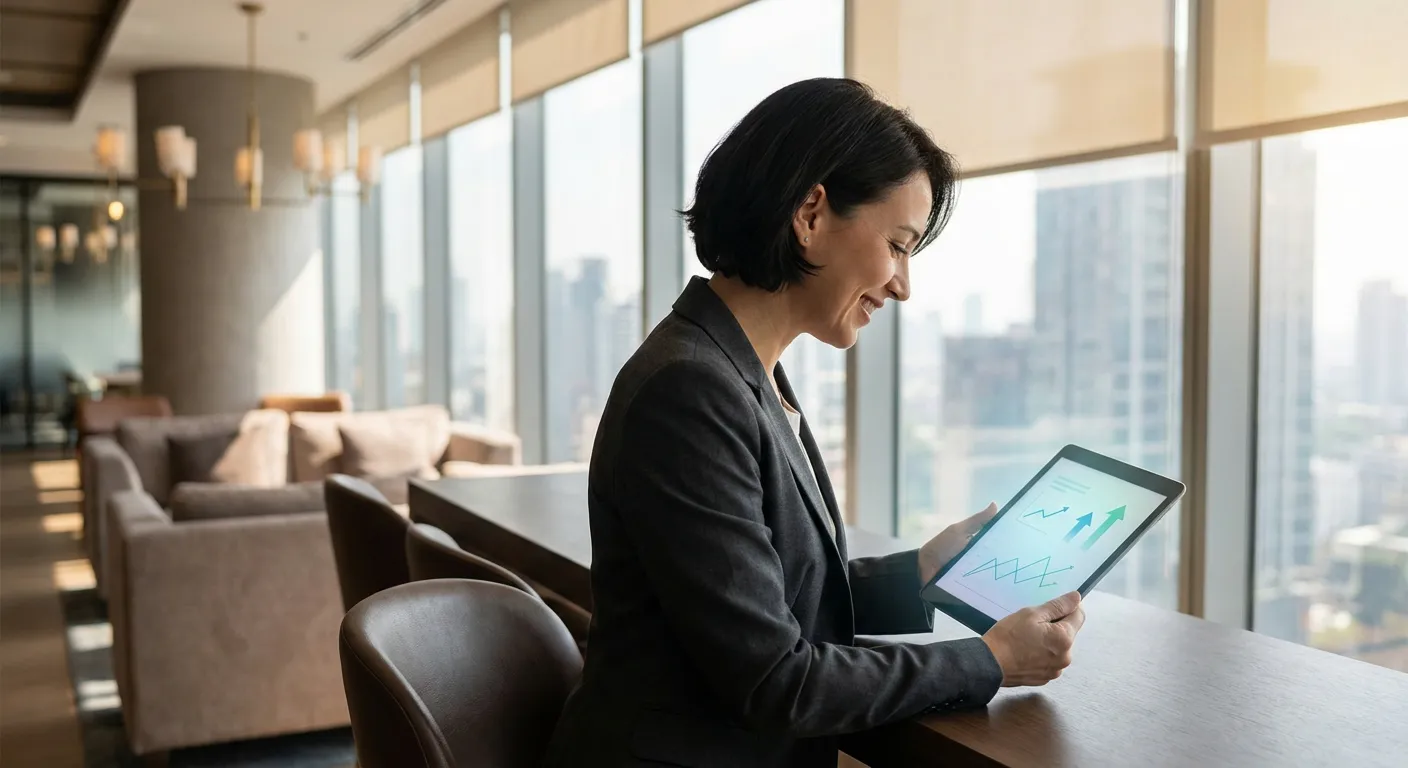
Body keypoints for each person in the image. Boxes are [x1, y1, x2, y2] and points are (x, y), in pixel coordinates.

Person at [543, 78, 1085, 767]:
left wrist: (923, 573)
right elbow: (777, 680)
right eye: (898, 243)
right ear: (811, 212)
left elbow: (767, 596)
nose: (903, 284)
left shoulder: (741, 369)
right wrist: (991, 660)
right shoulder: (690, 392)